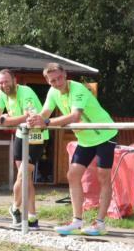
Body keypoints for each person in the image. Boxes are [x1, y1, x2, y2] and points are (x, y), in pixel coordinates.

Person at [27, 62, 118, 236]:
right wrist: (36, 119)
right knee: (73, 175)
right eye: (53, 80)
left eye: (59, 78)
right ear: (48, 82)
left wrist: (45, 123)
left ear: (65, 75)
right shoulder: (53, 92)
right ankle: (77, 221)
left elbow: (75, 116)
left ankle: (100, 223)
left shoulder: (78, 89)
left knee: (103, 176)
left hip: (105, 134)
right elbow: (46, 111)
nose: (57, 82)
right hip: (85, 138)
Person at [0, 69, 48, 229]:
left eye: (6, 81)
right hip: (21, 135)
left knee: (23, 174)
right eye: (0, 82)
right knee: (25, 178)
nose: (4, 85)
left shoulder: (25, 91)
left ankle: (14, 208)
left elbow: (28, 117)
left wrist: (3, 120)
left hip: (36, 135)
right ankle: (32, 218)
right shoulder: (1, 94)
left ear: (14, 80)